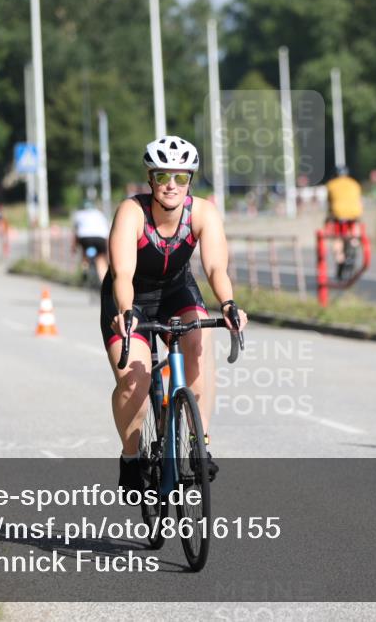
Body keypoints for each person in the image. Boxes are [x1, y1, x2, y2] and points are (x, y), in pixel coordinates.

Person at [102, 135, 248, 495]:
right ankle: (131, 457)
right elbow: (121, 273)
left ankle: (201, 444)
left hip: (176, 291)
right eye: (163, 176)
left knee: (200, 340)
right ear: (150, 179)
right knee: (134, 380)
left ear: (190, 181)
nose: (171, 185)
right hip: (131, 298)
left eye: (181, 178)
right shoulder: (131, 212)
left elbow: (215, 266)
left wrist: (228, 304)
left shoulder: (202, 212)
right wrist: (125, 312)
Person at [325, 166, 363, 277]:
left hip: (339, 215)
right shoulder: (355, 184)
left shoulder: (331, 184)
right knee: (353, 234)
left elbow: (329, 203)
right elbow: (359, 201)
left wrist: (328, 218)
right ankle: (353, 248)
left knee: (338, 239)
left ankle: (340, 261)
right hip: (354, 214)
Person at [72, 199, 109, 283]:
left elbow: (75, 233)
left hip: (85, 237)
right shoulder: (100, 214)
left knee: (84, 254)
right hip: (100, 237)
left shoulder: (78, 214)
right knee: (101, 258)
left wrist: (74, 246)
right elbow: (106, 231)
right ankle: (104, 281)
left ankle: (85, 268)